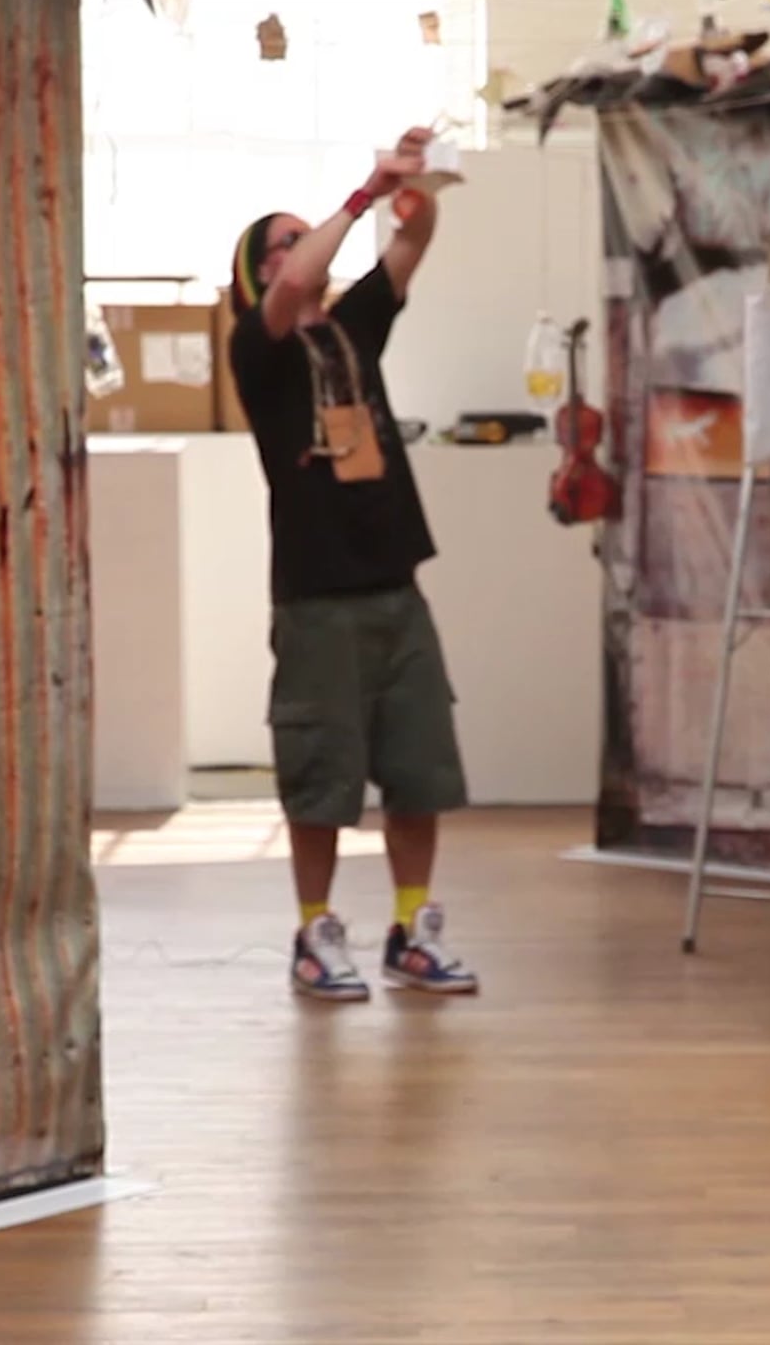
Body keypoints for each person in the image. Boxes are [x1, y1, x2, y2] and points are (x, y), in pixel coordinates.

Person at [227, 127, 478, 1002]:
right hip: (317, 599)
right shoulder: (257, 349)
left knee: (419, 769)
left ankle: (412, 929)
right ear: (258, 272)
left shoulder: (352, 331)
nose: (305, 249)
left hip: (396, 587)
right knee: (321, 777)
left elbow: (411, 247)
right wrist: (363, 194)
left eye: (308, 235)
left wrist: (421, 188)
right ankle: (316, 932)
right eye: (285, 241)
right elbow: (297, 283)